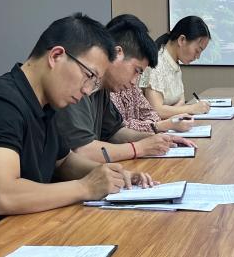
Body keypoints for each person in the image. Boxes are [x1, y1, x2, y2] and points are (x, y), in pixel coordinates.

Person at [0, 13, 154, 219]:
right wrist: (85, 187)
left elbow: (64, 161)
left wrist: (110, 175)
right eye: (89, 75)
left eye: (95, 82)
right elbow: (2, 195)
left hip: (26, 224)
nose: (88, 90)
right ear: (56, 56)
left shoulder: (45, 104)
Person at [56, 14, 195, 164]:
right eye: (136, 71)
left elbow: (115, 132)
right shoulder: (79, 85)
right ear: (117, 53)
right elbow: (82, 151)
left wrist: (160, 139)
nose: (134, 82)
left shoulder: (103, 88)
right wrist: (139, 148)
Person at [109, 17, 196, 135]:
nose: (135, 81)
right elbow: (119, 129)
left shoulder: (131, 85)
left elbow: (151, 114)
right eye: (197, 50)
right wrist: (161, 125)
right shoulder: (106, 88)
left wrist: (156, 124)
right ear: (117, 53)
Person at [142, 15, 213, 119]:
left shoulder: (173, 62)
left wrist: (175, 110)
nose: (197, 57)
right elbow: (156, 111)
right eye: (197, 51)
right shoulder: (155, 65)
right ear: (182, 40)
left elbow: (181, 100)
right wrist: (191, 108)